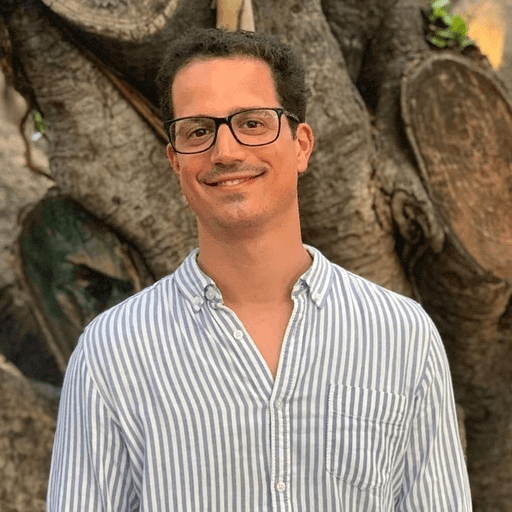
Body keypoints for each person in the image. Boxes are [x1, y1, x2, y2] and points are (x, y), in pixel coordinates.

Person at [47, 28, 472, 511]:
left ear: (301, 145)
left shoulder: (400, 335)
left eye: (251, 123)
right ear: (175, 160)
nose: (225, 151)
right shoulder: (112, 353)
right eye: (198, 130)